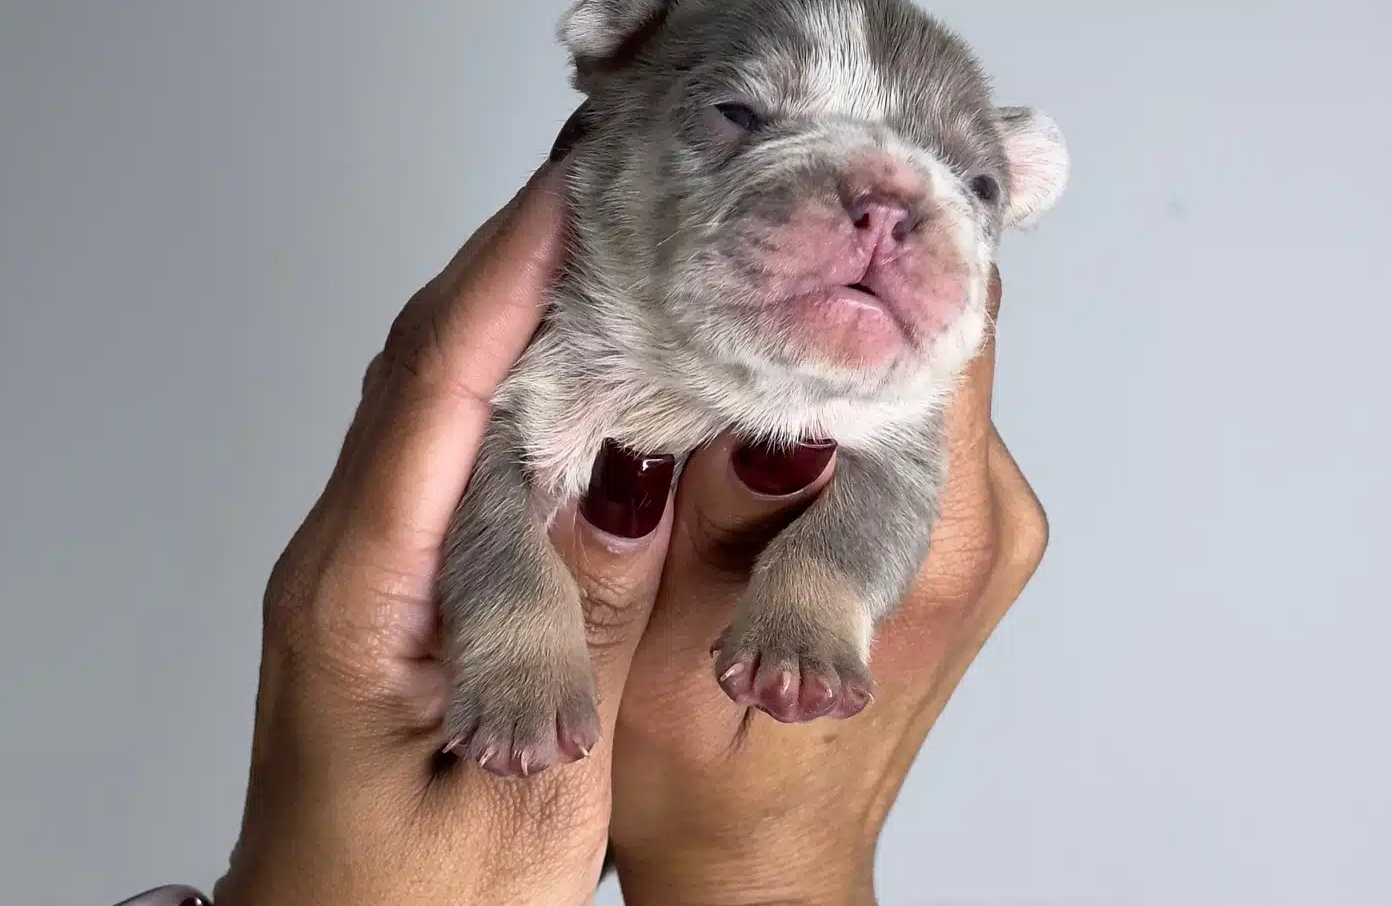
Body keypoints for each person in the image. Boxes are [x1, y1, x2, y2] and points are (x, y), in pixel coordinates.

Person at [206, 134, 1048, 906]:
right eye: (741, 115)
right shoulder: (577, 337)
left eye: (975, 184)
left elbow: (893, 496)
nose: (879, 220)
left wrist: (821, 603)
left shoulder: (889, 404)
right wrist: (775, 878)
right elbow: (494, 474)